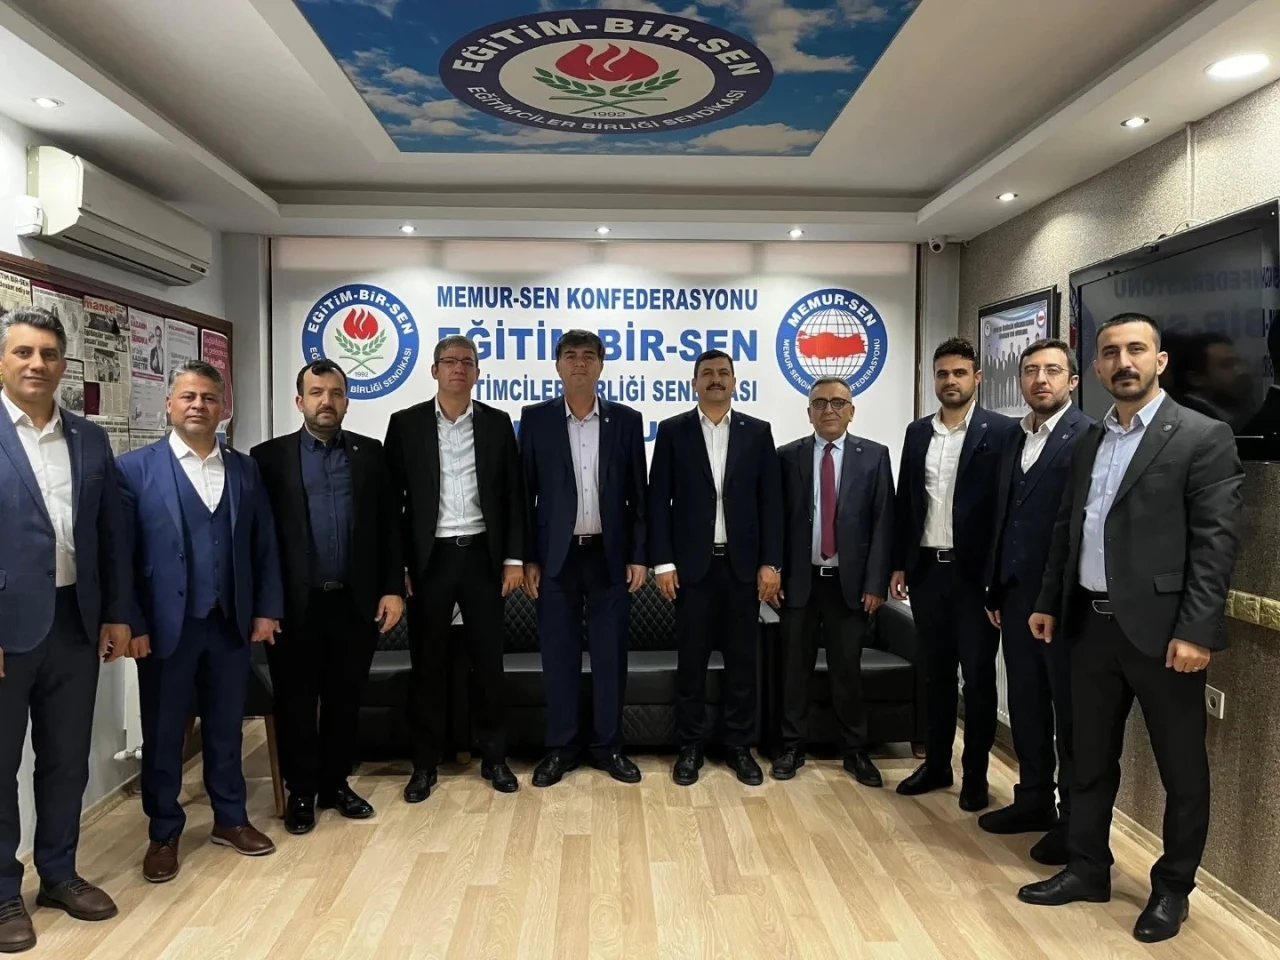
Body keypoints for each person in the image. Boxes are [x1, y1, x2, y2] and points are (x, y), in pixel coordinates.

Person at [1018, 314, 1244, 945]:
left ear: (1159, 361)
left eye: (1136, 350)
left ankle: (1172, 889)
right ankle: (1087, 868)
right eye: (1111, 352)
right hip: (1088, 627)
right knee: (1088, 760)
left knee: (1181, 771)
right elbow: (1069, 527)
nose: (1124, 362)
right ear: (1095, 367)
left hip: (1165, 635)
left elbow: (1216, 545)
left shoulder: (1202, 436)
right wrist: (1049, 600)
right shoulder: (1090, 439)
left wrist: (1197, 630)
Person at [117, 360, 284, 884]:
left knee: (226, 727)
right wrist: (132, 623)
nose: (198, 406)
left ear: (223, 407)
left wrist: (266, 609)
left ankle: (230, 819)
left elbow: (263, 544)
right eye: (188, 396)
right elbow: (122, 557)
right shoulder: (134, 469)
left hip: (229, 623)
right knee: (164, 732)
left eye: (209, 398)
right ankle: (163, 831)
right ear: (169, 404)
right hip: (165, 627)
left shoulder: (244, 469)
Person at [0, 307, 130, 953]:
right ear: (3, 360)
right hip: (6, 630)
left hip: (76, 622)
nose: (37, 364)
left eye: (49, 354)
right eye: (24, 352)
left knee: (64, 761)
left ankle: (58, 873)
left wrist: (117, 613)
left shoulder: (89, 439)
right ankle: (2, 891)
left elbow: (110, 535)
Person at [251, 360, 405, 835]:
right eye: (317, 393)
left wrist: (392, 588)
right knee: (296, 701)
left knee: (345, 699)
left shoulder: (370, 454)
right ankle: (301, 791)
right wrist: (264, 604)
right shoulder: (267, 457)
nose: (326, 401)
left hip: (355, 602)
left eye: (335, 393)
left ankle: (336, 784)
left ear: (346, 401)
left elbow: (389, 527)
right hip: (294, 606)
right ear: (300, 401)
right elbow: (259, 539)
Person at [384, 335, 525, 801]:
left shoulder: (497, 423)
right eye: (449, 361)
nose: (458, 369)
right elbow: (392, 504)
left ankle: (495, 758)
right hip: (431, 559)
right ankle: (424, 765)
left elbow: (513, 495)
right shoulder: (405, 424)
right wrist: (399, 567)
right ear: (434, 370)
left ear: (478, 372)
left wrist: (513, 559)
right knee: (427, 665)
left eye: (467, 362)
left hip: (483, 556)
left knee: (489, 664)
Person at [891, 337, 1018, 811]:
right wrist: (899, 562)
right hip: (927, 571)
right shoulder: (917, 432)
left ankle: (976, 775)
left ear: (976, 378)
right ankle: (937, 764)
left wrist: (997, 578)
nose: (950, 381)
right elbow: (907, 502)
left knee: (979, 680)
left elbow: (1007, 510)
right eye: (943, 373)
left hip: (975, 578)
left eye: (960, 373)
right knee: (935, 675)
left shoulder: (1003, 432)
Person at [980, 339, 1092, 863]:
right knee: (1025, 703)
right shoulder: (1013, 436)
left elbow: (1079, 527)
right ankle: (1032, 800)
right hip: (1014, 597)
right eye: (1030, 371)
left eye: (1052, 370)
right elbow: (1003, 517)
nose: (1040, 380)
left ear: (1073, 380)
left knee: (1069, 716)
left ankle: (1073, 823)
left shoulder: (1087, 436)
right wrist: (995, 586)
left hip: (1064, 603)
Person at [520, 330, 648, 787]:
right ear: (558, 365)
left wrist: (639, 555)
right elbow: (524, 494)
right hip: (555, 559)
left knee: (611, 657)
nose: (579, 363)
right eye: (570, 356)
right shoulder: (535, 420)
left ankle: (609, 747)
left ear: (600, 365)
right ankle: (561, 748)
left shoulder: (626, 420)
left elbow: (638, 494)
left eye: (588, 356)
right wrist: (527, 557)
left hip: (609, 557)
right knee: (559, 656)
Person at [649, 349, 782, 786]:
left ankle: (739, 746)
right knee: (692, 662)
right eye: (707, 373)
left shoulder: (757, 432)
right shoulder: (673, 431)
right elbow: (658, 501)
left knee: (743, 662)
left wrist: (771, 563)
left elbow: (771, 504)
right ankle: (690, 746)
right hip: (692, 570)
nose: (716, 379)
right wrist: (663, 561)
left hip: (742, 569)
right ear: (694, 382)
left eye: (723, 372)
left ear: (734, 381)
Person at [773, 376, 894, 787]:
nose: (829, 410)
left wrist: (876, 583)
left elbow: (883, 523)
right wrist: (775, 571)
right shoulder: (786, 456)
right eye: (820, 403)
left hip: (850, 585)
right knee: (794, 671)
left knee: (847, 672)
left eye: (838, 403)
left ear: (851, 411)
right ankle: (792, 746)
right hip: (800, 583)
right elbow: (776, 522)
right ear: (808, 412)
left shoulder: (874, 456)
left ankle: (854, 750)